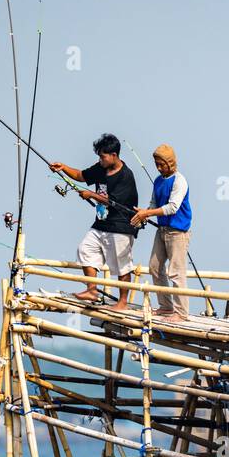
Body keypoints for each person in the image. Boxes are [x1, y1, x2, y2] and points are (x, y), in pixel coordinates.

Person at [49, 133, 140, 311]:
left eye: (103, 156)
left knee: (122, 266)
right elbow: (81, 175)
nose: (100, 159)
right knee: (85, 249)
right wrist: (63, 168)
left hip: (120, 226)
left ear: (114, 155)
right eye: (99, 156)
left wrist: (91, 194)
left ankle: (122, 302)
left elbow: (114, 202)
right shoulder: (101, 167)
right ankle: (92, 290)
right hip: (101, 223)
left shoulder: (125, 176)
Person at [129, 144, 193, 319]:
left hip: (177, 232)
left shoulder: (180, 180)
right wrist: (143, 213)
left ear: (170, 163)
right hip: (162, 230)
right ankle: (166, 306)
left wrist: (147, 213)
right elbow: (153, 204)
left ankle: (181, 313)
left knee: (176, 272)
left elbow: (172, 207)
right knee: (155, 267)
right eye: (156, 164)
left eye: (161, 164)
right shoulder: (158, 180)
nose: (158, 167)